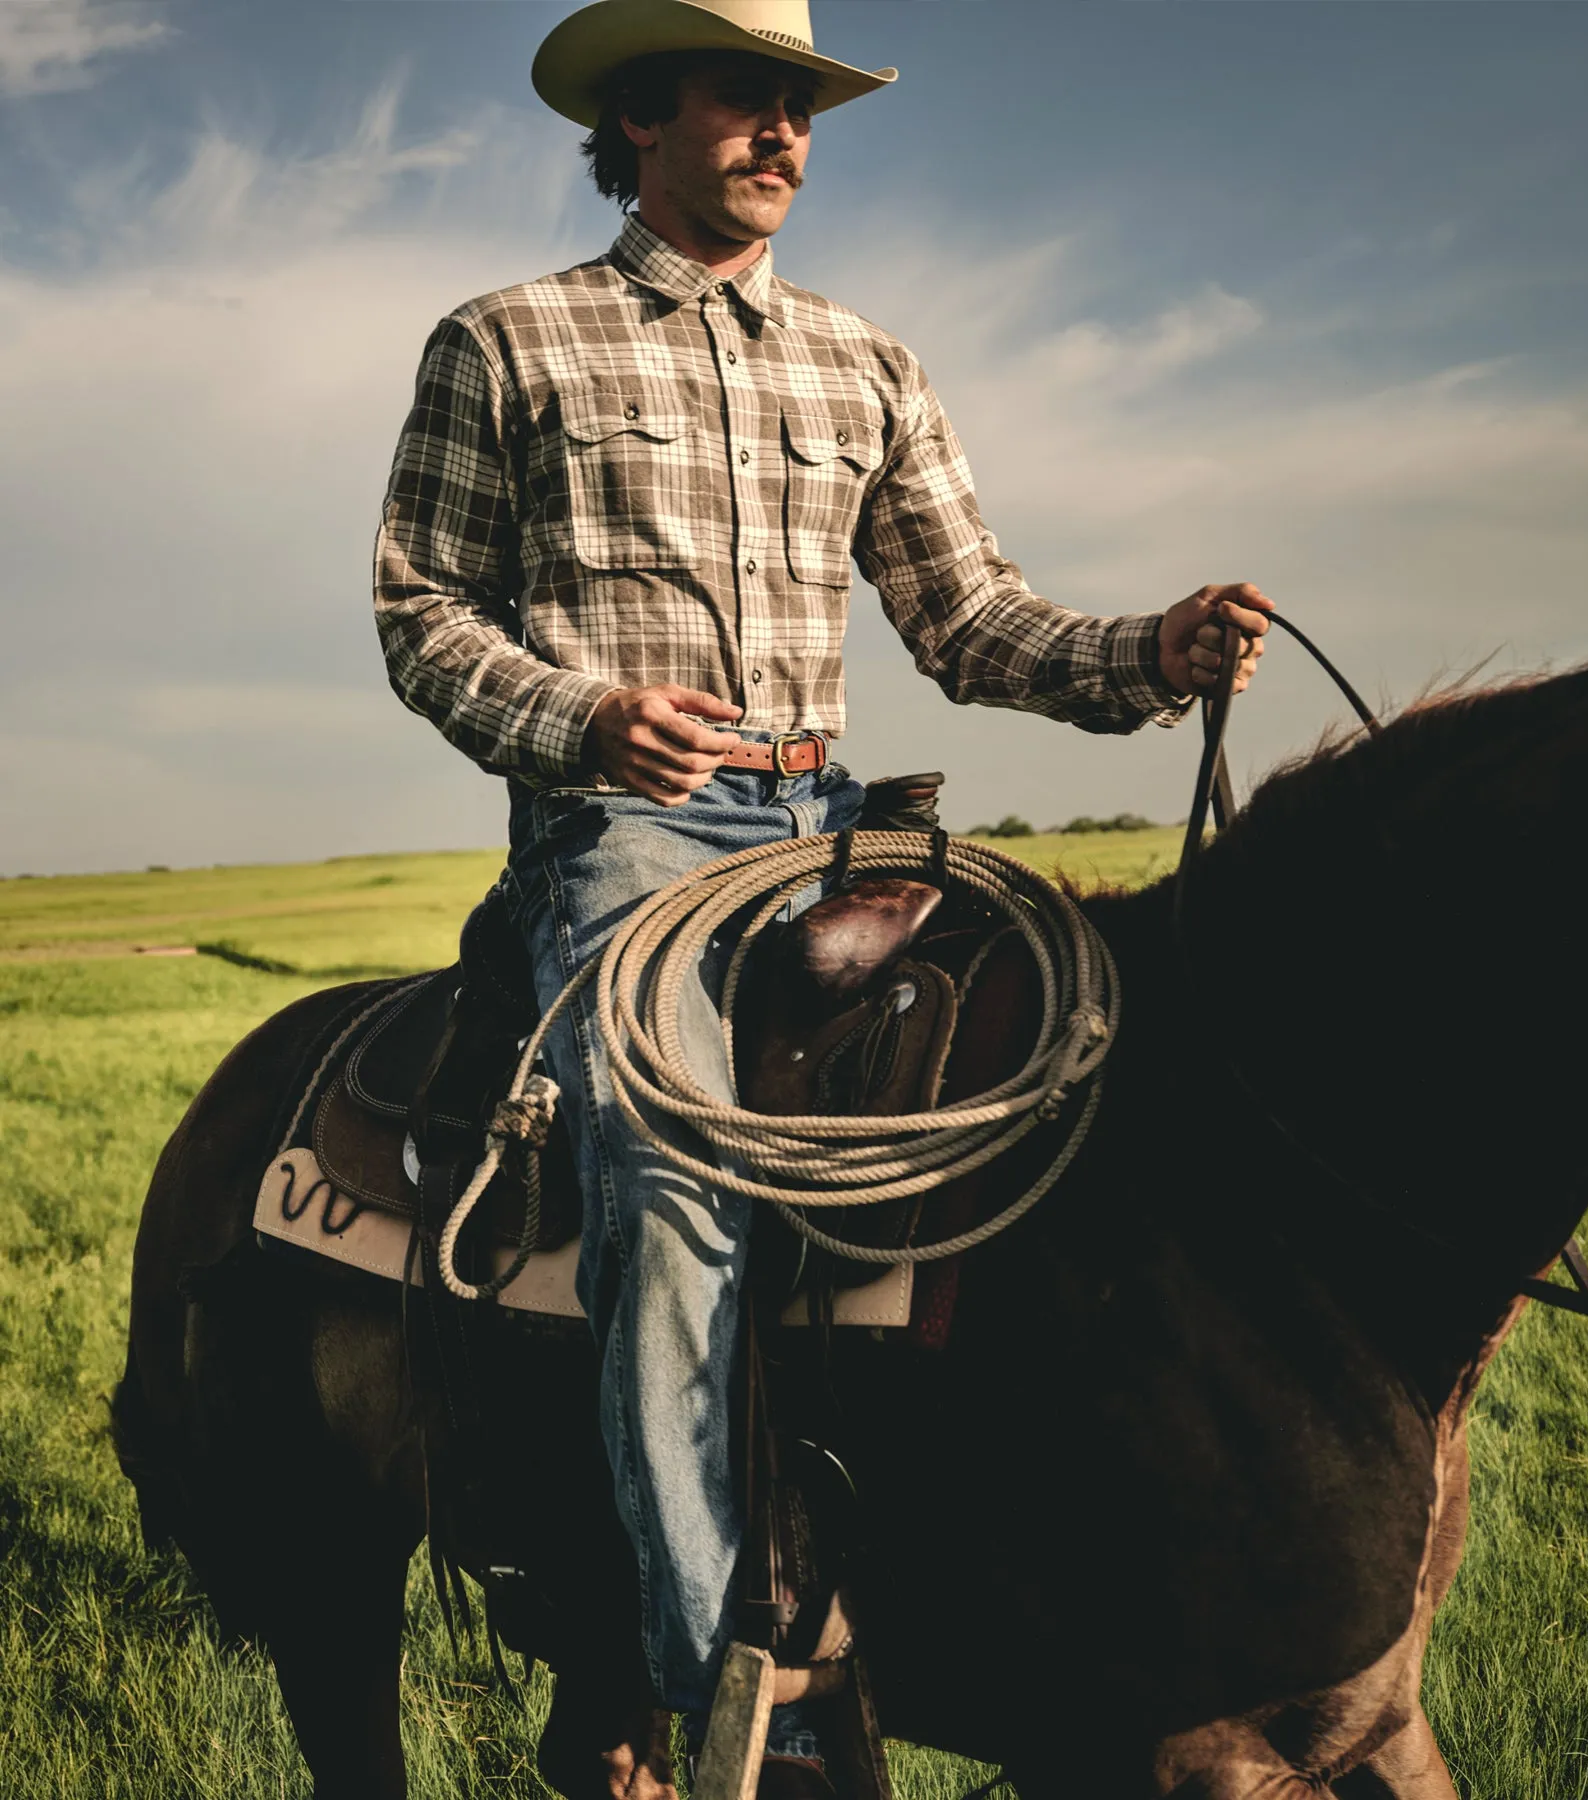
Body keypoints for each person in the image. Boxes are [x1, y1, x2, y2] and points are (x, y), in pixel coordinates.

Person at [374, 3, 1271, 1792]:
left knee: (1089, 1084)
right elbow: (421, 610)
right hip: (629, 837)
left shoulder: (865, 364)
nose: (784, 132)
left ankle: (1039, 1580)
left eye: (801, 106)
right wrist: (583, 716)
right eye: (743, 97)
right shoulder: (505, 342)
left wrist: (1146, 652)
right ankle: (716, 1684)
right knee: (667, 1158)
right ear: (637, 120)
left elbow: (972, 619)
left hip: (844, 828)